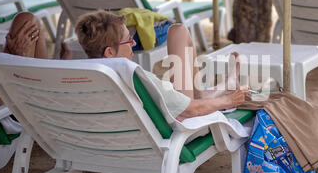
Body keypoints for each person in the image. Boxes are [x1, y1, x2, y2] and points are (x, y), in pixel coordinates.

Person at [74, 10, 249, 121]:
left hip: (116, 138)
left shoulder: (80, 77)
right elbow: (191, 111)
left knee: (177, 32)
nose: (134, 43)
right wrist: (229, 100)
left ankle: (226, 83)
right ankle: (226, 85)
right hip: (184, 126)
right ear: (109, 53)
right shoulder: (135, 77)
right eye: (128, 40)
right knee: (178, 31)